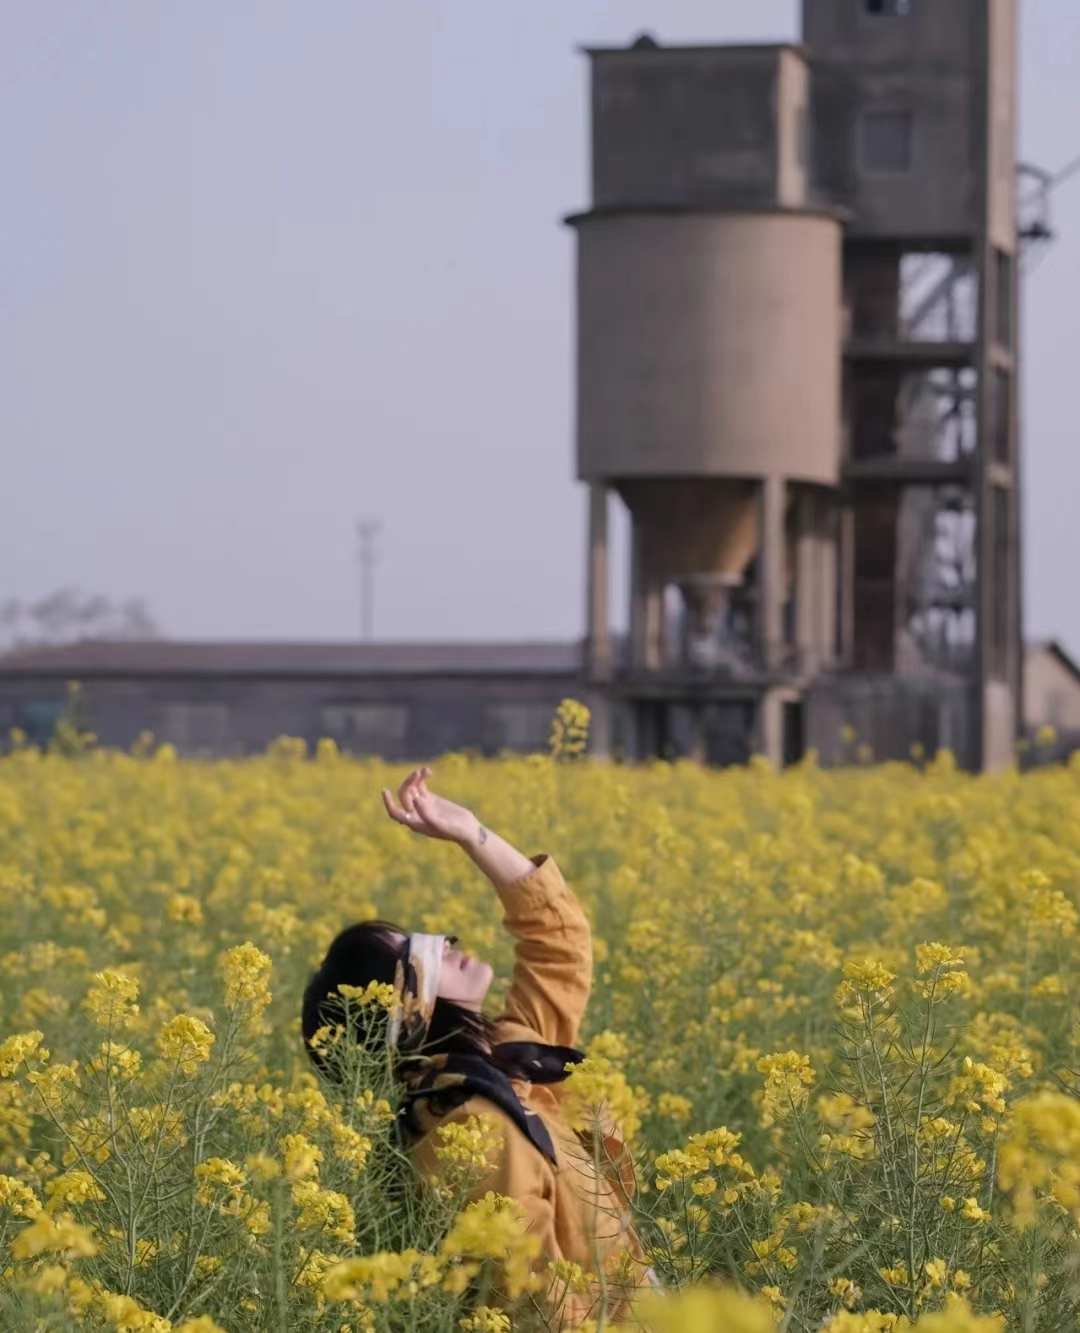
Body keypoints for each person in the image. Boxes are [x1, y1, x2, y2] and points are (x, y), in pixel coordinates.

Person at [301, 766, 648, 1327]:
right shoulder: (469, 1126)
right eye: (414, 953)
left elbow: (559, 943)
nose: (444, 942)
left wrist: (470, 832)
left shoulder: (508, 1062)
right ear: (405, 1015)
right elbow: (533, 1300)